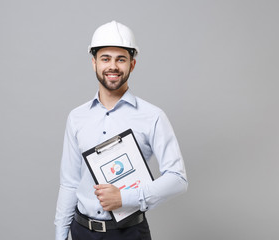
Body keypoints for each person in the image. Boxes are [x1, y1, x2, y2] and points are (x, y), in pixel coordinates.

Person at [54, 20, 188, 240]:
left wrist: (125, 198)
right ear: (94, 63)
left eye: (121, 59)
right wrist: (60, 236)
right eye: (105, 58)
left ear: (132, 65)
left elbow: (177, 179)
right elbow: (69, 182)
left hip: (129, 233)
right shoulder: (76, 117)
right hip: (81, 232)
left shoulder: (153, 116)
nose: (113, 66)